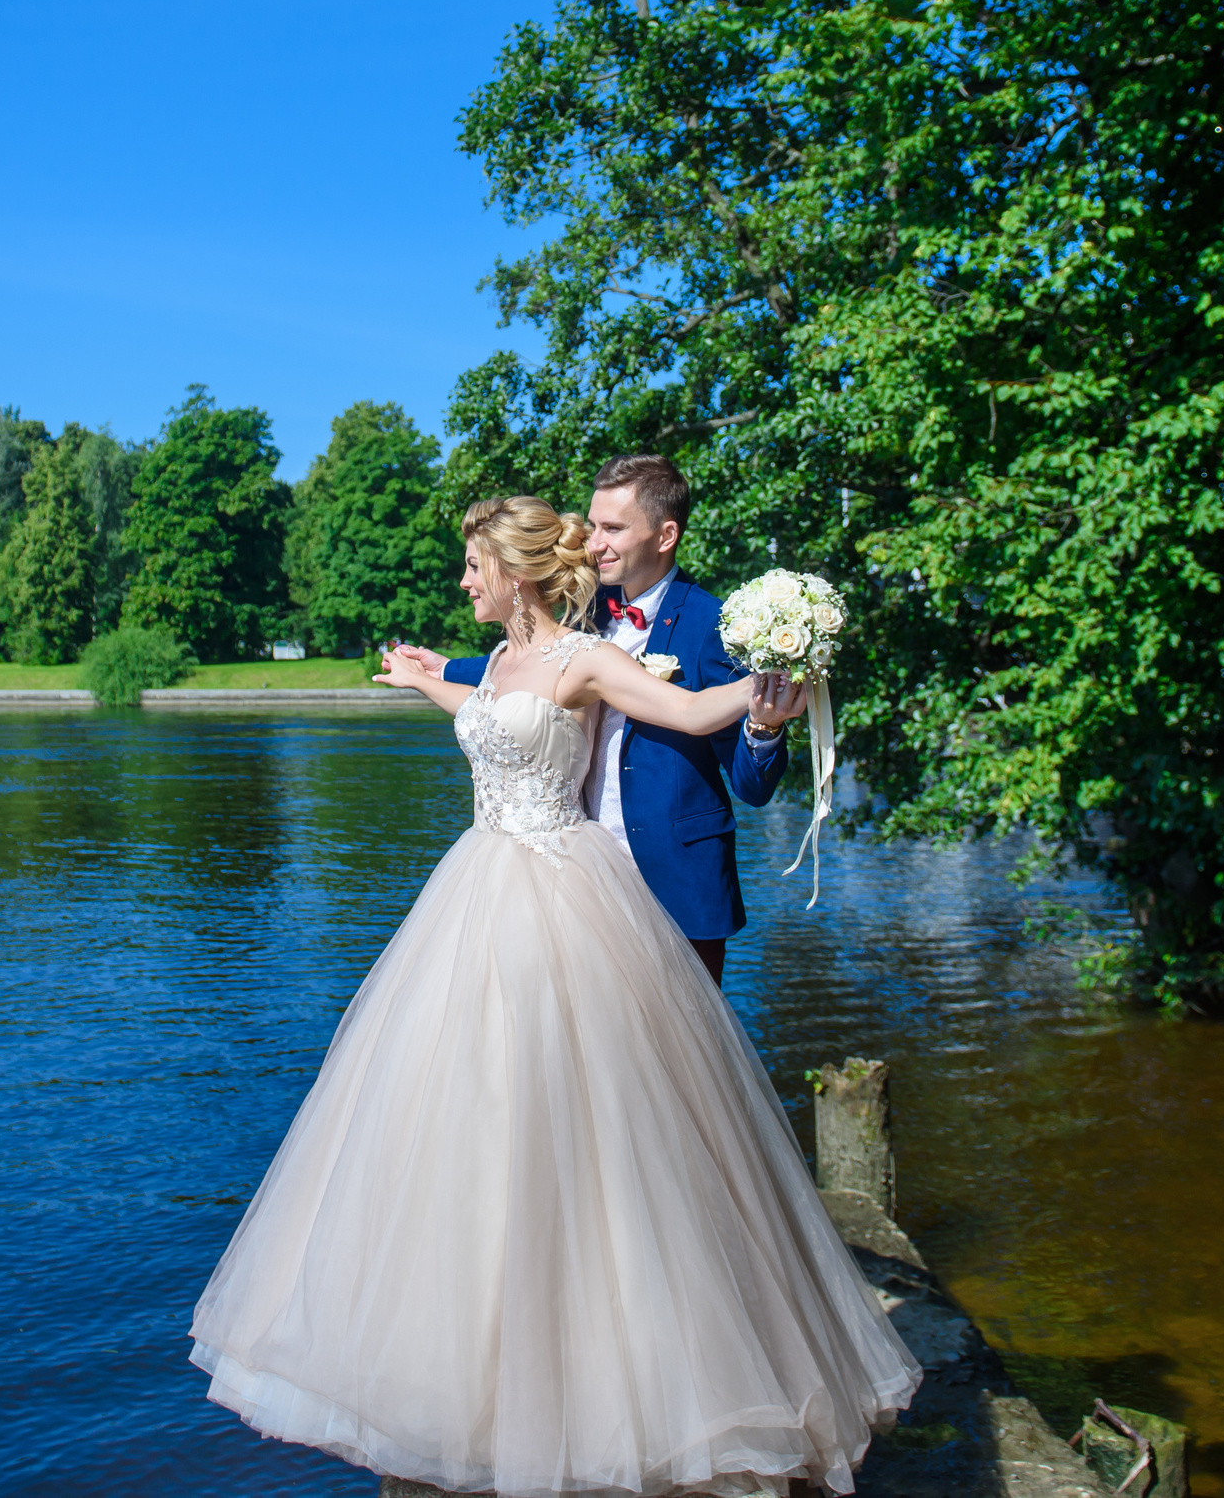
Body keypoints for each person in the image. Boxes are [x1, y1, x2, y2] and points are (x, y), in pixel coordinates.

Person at [190, 495, 917, 1498]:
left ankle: (631, 1375)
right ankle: (479, 1368)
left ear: (516, 571)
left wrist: (767, 686)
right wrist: (419, 679)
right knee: (475, 1124)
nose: (462, 582)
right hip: (477, 892)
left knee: (601, 1130)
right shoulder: (492, 665)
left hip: (565, 899)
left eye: (472, 566)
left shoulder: (581, 660)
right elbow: (488, 719)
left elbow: (685, 709)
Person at [396, 454, 797, 985]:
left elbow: (750, 782)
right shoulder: (583, 604)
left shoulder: (712, 627)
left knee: (676, 1057)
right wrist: (443, 667)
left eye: (612, 529)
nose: (593, 544)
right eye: (592, 527)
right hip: (570, 874)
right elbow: (528, 665)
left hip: (673, 877)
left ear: (665, 534)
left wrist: (764, 726)